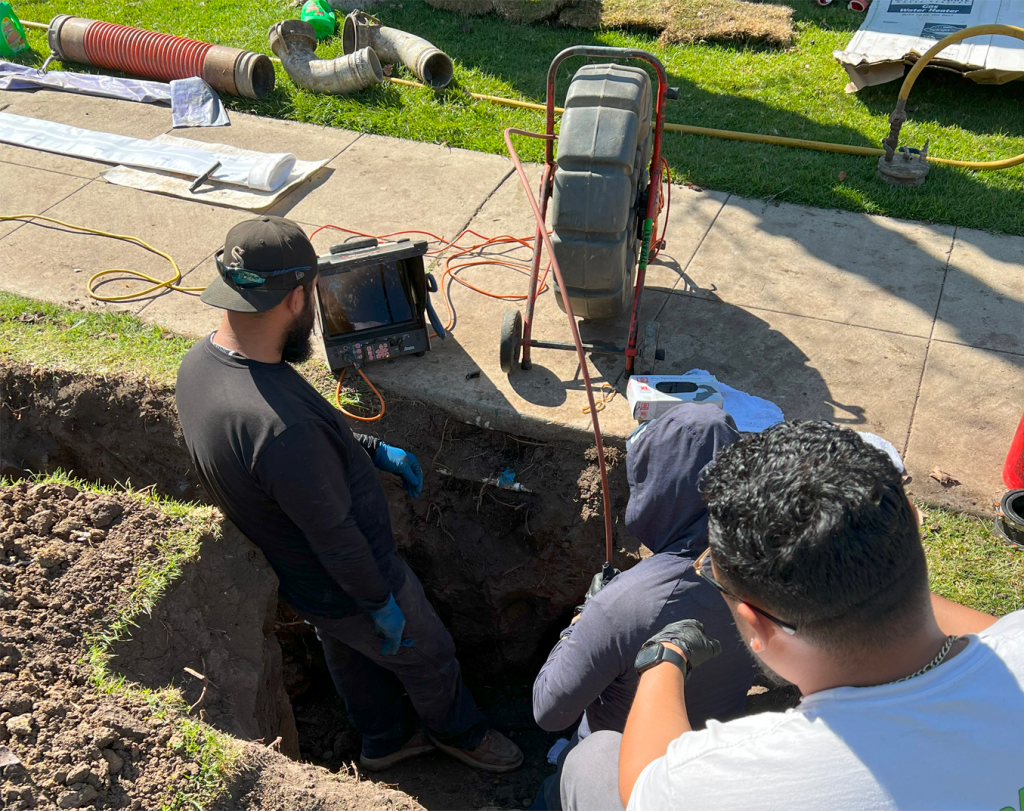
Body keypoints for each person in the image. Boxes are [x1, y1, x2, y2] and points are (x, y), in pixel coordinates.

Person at [175, 216, 522, 773]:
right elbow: (335, 535)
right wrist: (380, 602)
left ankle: (384, 740)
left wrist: (367, 447)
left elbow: (295, 453)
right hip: (353, 579)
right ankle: (461, 731)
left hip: (309, 583)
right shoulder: (281, 430)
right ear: (295, 297)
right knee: (427, 654)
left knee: (346, 651)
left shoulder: (203, 366)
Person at [559, 420, 1020, 811]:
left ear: (758, 627)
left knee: (593, 760)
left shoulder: (730, 783)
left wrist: (666, 657)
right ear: (913, 524)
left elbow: (645, 784)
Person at [530, 404, 756, 809]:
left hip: (632, 774)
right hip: (715, 765)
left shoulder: (624, 604)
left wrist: (583, 617)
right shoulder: (773, 572)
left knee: (570, 774)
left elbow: (549, 711)